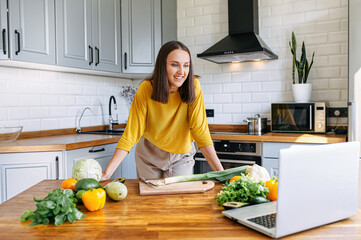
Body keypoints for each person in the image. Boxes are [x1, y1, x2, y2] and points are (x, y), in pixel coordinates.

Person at [100, 41, 223, 181]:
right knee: (150, 201)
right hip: (149, 156)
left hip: (181, 157)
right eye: (174, 65)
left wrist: (221, 174)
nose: (181, 72)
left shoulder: (194, 86)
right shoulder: (146, 89)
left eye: (186, 65)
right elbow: (131, 134)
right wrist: (107, 173)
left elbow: (200, 131)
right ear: (162, 66)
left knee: (178, 201)